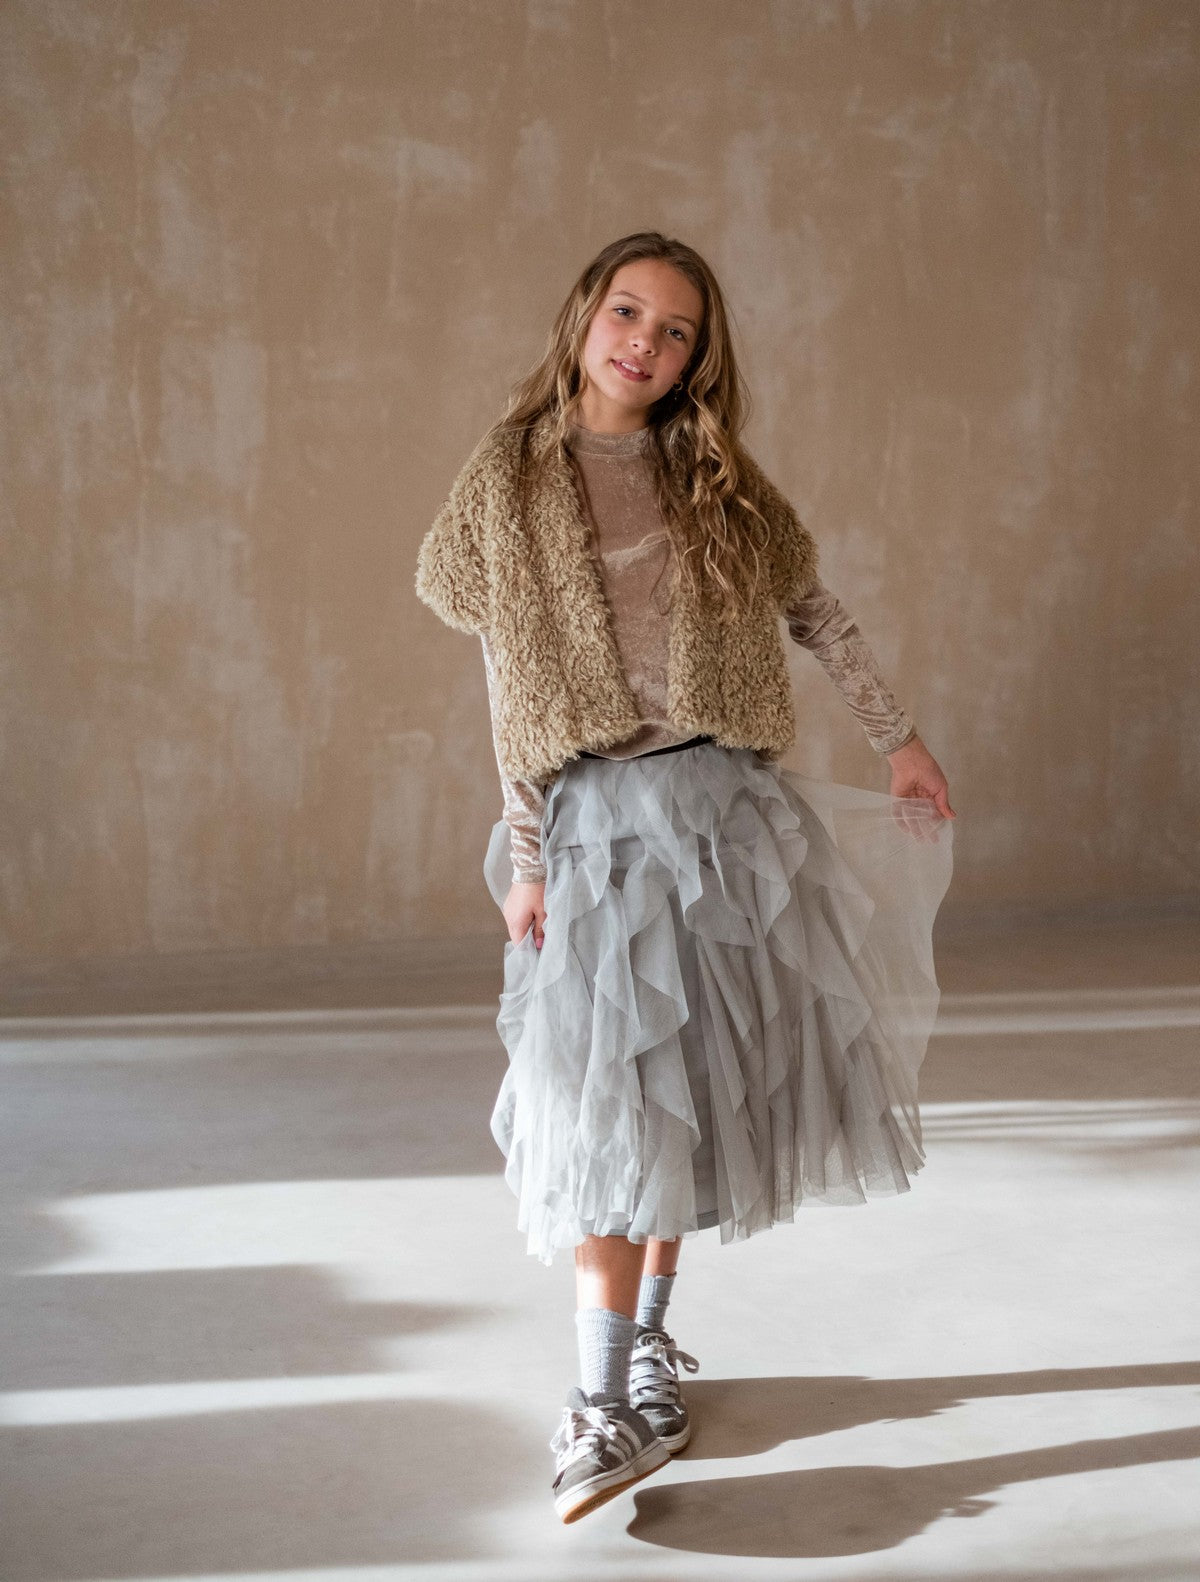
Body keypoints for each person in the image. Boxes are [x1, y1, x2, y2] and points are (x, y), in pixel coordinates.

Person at [415, 231, 956, 1524]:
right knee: (614, 1104)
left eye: (675, 331)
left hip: (720, 817)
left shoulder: (711, 472)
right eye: (627, 313)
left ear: (696, 358)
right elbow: (510, 681)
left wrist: (899, 737)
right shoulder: (511, 475)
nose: (644, 344)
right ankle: (596, 1397)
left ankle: (646, 1348)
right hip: (598, 827)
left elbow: (812, 607)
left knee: (691, 1093)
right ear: (583, 317)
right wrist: (528, 857)